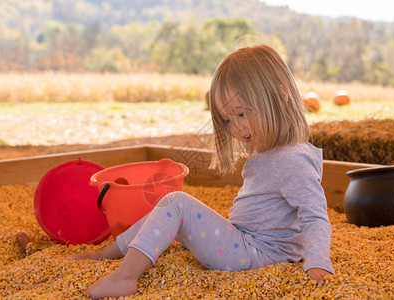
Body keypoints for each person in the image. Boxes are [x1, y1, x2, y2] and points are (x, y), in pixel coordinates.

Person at [68, 44, 334, 299]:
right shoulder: (272, 153)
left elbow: (315, 217)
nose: (237, 128)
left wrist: (317, 262)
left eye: (241, 114)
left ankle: (125, 276)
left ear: (281, 95)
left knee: (176, 204)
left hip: (257, 256)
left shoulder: (294, 160)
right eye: (228, 120)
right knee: (169, 207)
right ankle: (108, 254)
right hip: (244, 243)